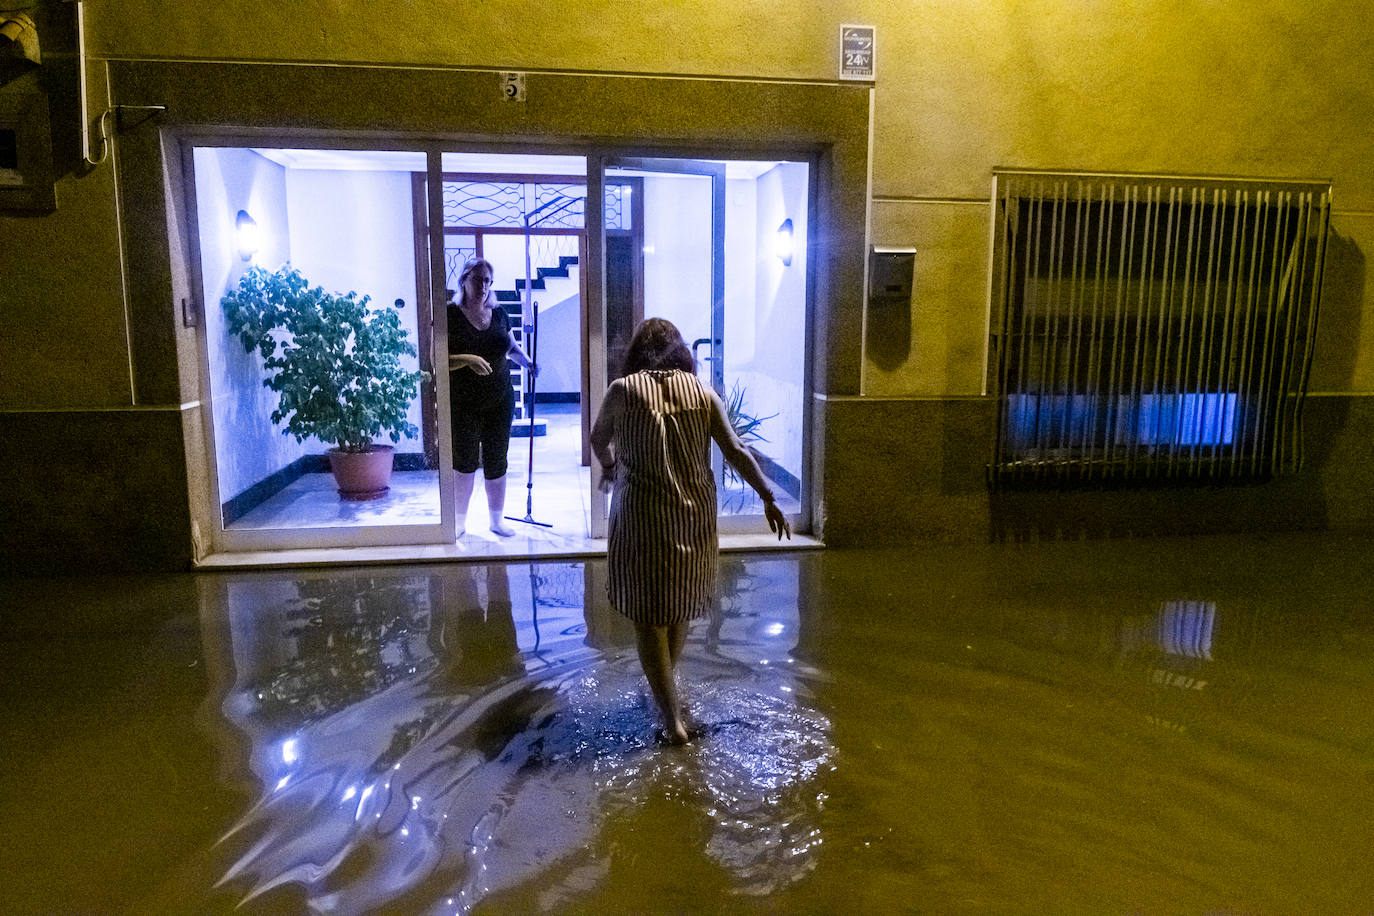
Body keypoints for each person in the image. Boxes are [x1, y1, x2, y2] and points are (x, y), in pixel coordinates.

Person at [590, 317, 790, 744]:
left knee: (647, 617)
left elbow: (597, 438)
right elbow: (736, 449)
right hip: (692, 516)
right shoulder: (703, 393)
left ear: (637, 354)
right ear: (680, 352)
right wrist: (768, 497)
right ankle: (668, 698)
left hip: (642, 517)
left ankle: (671, 722)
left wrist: (609, 467)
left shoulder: (622, 391)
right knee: (679, 603)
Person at [448, 258, 536, 537]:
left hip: (500, 399)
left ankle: (496, 521)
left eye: (487, 281)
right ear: (464, 280)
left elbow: (510, 347)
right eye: (478, 280)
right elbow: (438, 360)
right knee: (464, 461)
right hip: (464, 402)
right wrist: (468, 359)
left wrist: (528, 362)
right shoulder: (450, 314)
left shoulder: (498, 313)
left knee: (498, 459)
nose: (483, 286)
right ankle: (458, 522)